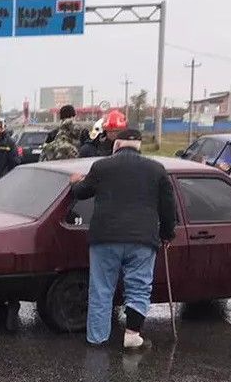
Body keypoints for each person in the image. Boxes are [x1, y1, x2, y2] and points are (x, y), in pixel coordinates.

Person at [70, 128, 177, 349]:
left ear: (116, 145)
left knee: (101, 289)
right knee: (139, 286)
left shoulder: (101, 167)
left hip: (105, 238)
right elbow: (168, 207)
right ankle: (132, 334)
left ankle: (97, 339)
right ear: (140, 146)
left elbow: (81, 192)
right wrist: (167, 234)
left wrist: (74, 182)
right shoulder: (157, 170)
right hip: (142, 240)